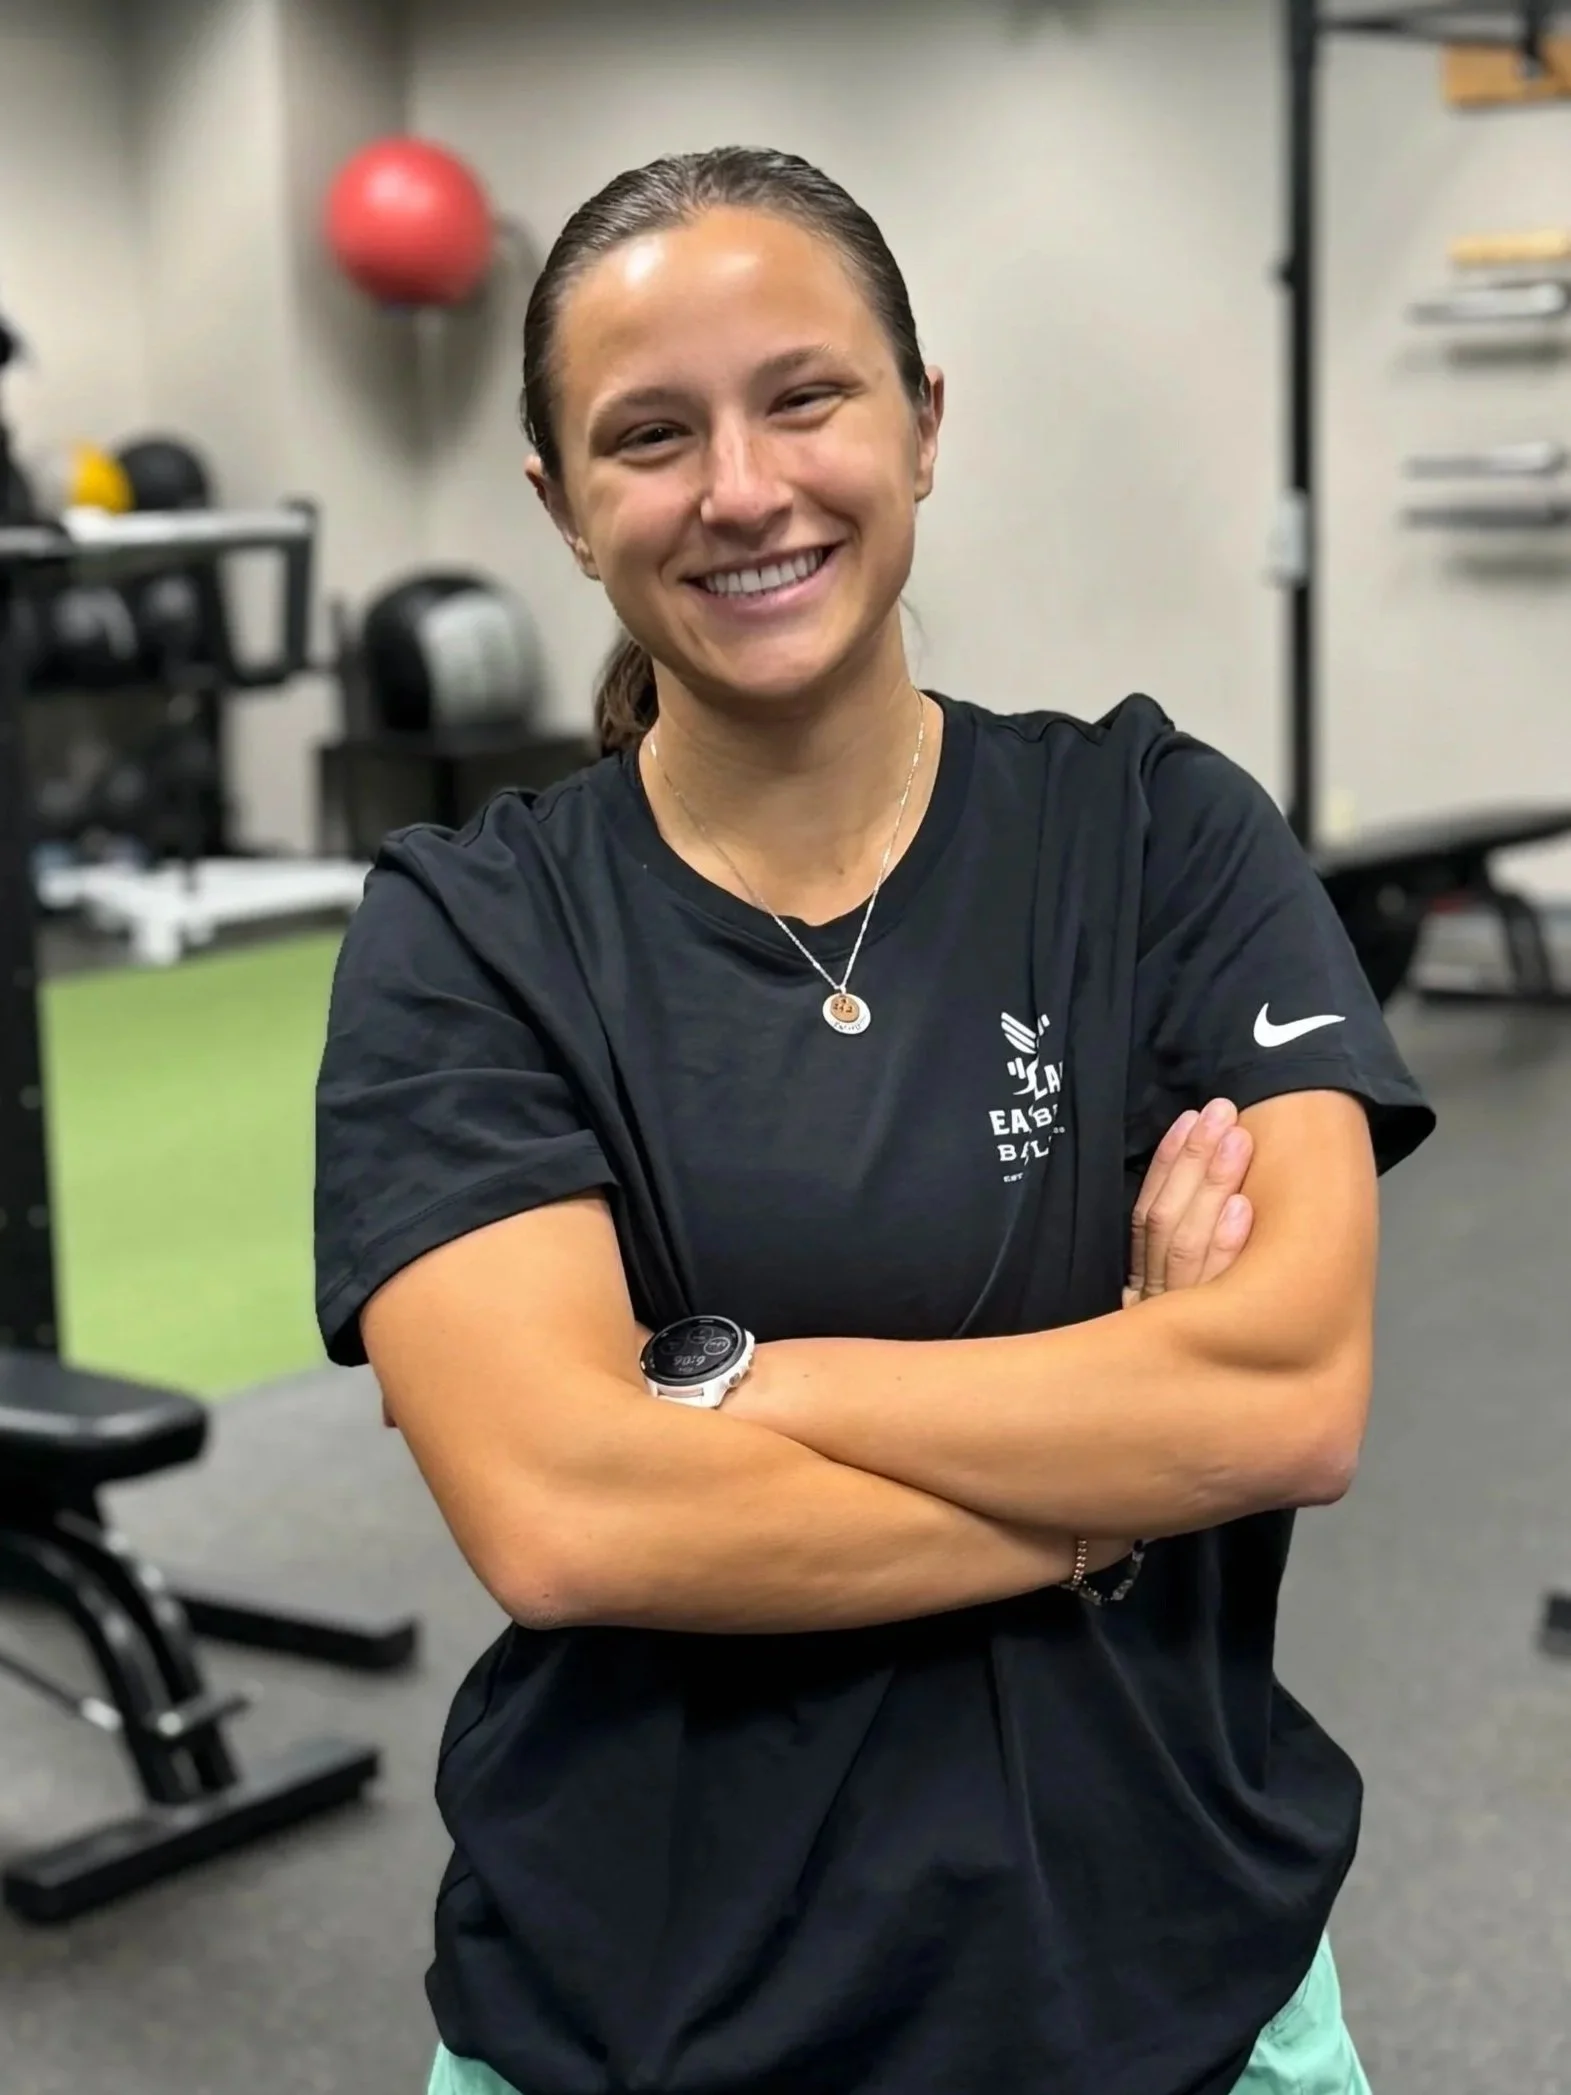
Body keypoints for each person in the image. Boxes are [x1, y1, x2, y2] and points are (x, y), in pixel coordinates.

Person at [313, 146, 1435, 2095]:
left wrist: (733, 1386)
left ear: (919, 423)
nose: (738, 488)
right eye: (647, 434)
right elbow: (568, 1517)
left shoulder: (1159, 835)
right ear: (564, 509)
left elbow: (1286, 1403)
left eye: (803, 396)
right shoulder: (468, 934)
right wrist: (1110, 1464)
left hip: (1161, 1972)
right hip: (645, 2006)